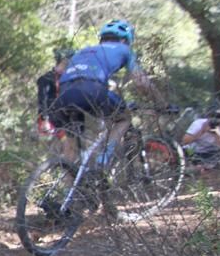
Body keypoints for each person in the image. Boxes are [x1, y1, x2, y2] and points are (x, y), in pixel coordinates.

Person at [54, 20, 161, 163]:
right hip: (92, 89)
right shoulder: (125, 50)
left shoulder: (83, 50)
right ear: (125, 40)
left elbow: (59, 71)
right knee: (123, 118)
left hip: (64, 92)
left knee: (71, 142)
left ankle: (68, 185)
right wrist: (161, 103)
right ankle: (103, 160)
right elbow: (141, 83)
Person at [182, 107, 220, 172]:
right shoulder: (198, 123)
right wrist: (202, 131)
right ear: (208, 117)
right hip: (192, 150)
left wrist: (218, 134)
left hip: (211, 153)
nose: (215, 119)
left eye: (219, 117)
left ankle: (197, 168)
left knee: (209, 164)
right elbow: (185, 141)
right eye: (213, 116)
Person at [37, 48, 73, 117]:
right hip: (49, 117)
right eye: (64, 63)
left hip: (64, 118)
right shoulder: (47, 78)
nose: (66, 66)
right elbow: (42, 99)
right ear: (59, 63)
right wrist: (44, 117)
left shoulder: (68, 80)